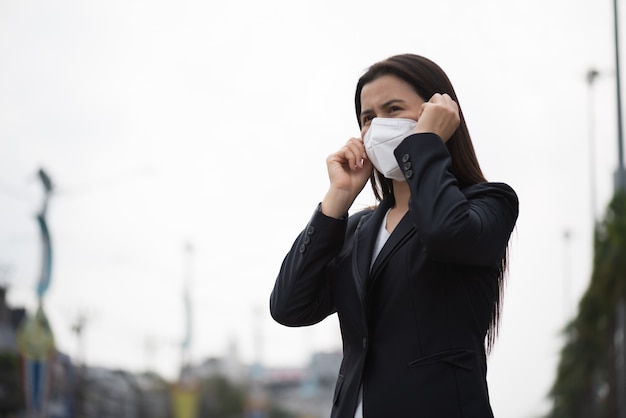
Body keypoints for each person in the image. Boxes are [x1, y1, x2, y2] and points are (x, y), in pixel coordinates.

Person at [269, 53, 518, 417]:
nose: (377, 127)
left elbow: (446, 233)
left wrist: (427, 143)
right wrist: (337, 199)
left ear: (438, 113)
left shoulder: (488, 202)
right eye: (367, 117)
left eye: (393, 108)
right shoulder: (358, 229)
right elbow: (289, 307)